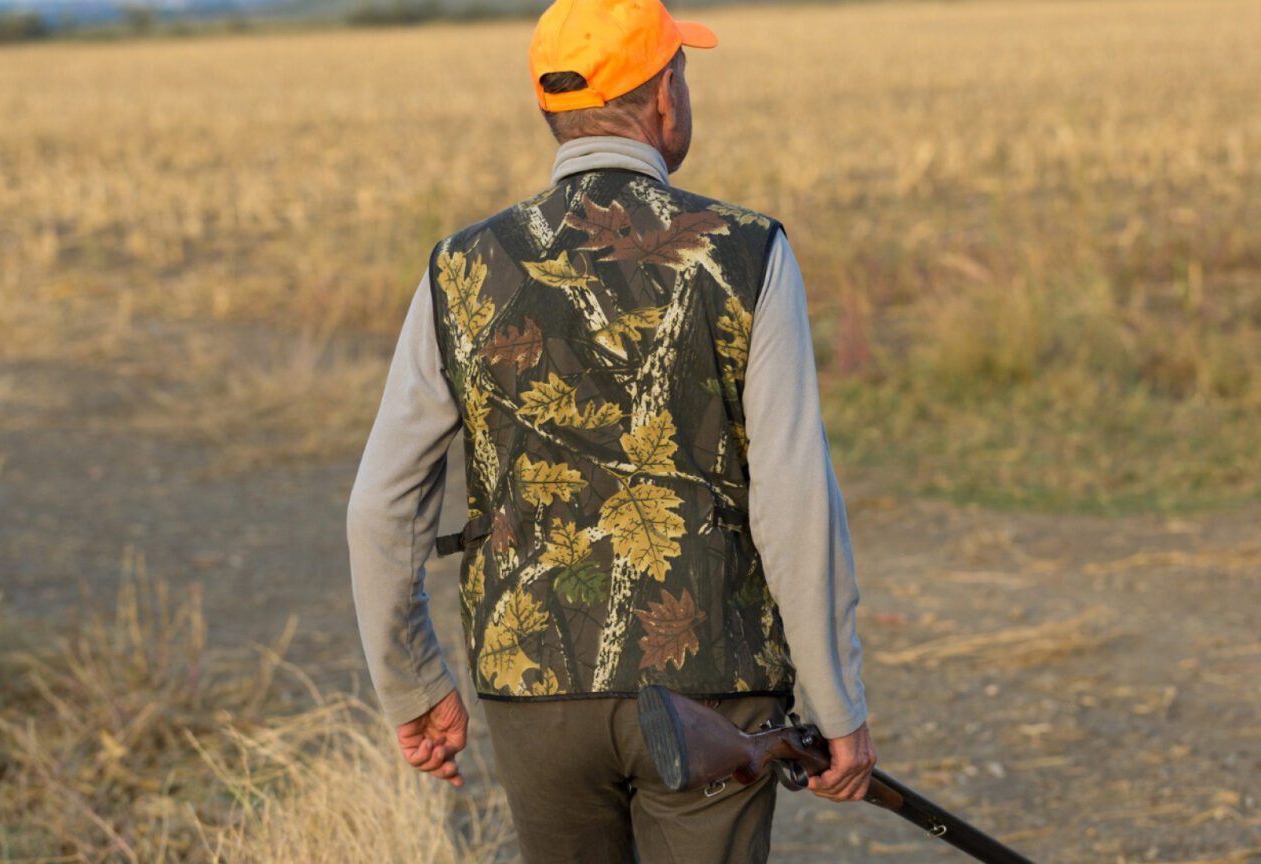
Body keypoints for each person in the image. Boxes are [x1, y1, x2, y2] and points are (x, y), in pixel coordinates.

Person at [346, 0, 872, 859]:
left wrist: (413, 683)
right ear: (666, 95)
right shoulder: (746, 254)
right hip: (715, 694)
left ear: (549, 110)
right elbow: (793, 500)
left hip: (532, 693)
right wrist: (838, 702)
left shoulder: (460, 268)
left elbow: (378, 508)